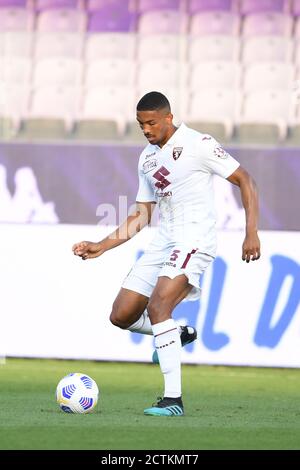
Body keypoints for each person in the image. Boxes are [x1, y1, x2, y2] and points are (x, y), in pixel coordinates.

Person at [72, 91, 261, 417]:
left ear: (168, 117)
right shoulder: (147, 158)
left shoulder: (199, 143)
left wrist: (251, 232)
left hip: (195, 239)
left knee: (159, 306)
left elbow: (244, 178)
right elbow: (143, 214)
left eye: (151, 122)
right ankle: (176, 334)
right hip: (164, 241)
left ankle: (173, 399)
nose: (146, 129)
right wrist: (102, 245)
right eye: (140, 124)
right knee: (121, 315)